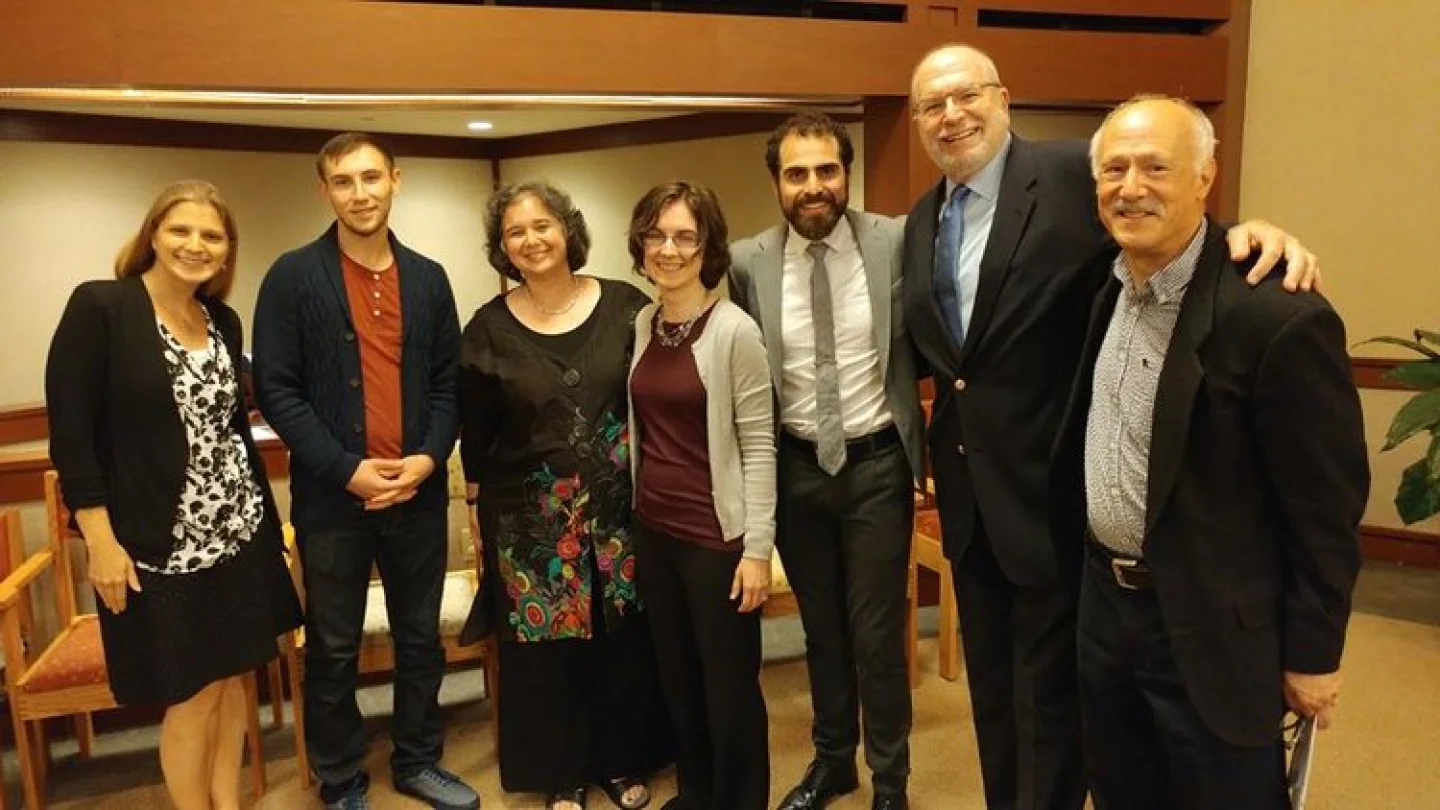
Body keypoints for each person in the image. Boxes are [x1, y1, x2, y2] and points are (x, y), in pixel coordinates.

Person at [900, 45, 1323, 810]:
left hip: (1062, 509)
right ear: (917, 121)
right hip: (972, 514)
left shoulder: (1077, 175)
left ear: (1003, 98)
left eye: (967, 96)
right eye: (932, 105)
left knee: (1064, 718)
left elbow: (1166, 227)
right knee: (1000, 712)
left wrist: (1252, 232)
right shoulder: (922, 218)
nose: (951, 115)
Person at [1047, 95, 1367, 809]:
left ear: (1205, 176)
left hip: (1211, 627)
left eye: (1157, 167)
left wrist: (1315, 655)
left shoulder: (1277, 317)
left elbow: (1325, 510)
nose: (1131, 187)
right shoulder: (1104, 288)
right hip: (1106, 613)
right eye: (1115, 169)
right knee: (1124, 791)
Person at [45, 180, 303, 810]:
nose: (195, 244)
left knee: (235, 680)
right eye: (180, 230)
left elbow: (233, 432)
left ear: (227, 251)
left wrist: (271, 534)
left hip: (237, 532)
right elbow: (72, 437)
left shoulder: (221, 318)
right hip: (160, 546)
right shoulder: (102, 308)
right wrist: (100, 543)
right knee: (190, 694)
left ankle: (228, 801)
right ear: (153, 234)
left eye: (211, 235)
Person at [252, 133, 477, 810]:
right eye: (344, 181)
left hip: (417, 493)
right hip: (330, 502)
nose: (360, 192)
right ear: (325, 191)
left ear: (395, 181)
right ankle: (341, 775)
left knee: (419, 639)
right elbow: (277, 390)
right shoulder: (292, 277)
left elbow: (447, 385)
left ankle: (417, 759)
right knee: (332, 648)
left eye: (371, 177)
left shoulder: (428, 277)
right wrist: (347, 470)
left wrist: (428, 458)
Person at [729, 112, 926, 810]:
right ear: (777, 183)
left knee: (876, 635)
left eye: (826, 170)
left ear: (846, 174)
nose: (813, 187)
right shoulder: (748, 261)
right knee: (822, 630)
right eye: (797, 174)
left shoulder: (898, 241)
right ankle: (832, 760)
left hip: (876, 465)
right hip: (796, 468)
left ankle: (891, 783)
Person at [457, 181, 673, 810]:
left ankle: (623, 760)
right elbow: (476, 434)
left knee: (622, 642)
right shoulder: (487, 329)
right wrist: (475, 516)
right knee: (547, 657)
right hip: (529, 523)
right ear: (502, 248)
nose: (531, 239)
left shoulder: (629, 307)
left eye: (542, 225)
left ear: (567, 230)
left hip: (621, 513)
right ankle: (562, 773)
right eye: (514, 232)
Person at [625, 181, 775, 810]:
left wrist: (758, 550)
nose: (669, 249)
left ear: (708, 245)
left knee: (729, 689)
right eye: (657, 235)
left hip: (718, 541)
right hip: (654, 532)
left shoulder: (734, 331)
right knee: (679, 682)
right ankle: (697, 793)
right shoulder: (644, 321)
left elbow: (761, 445)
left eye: (685, 236)